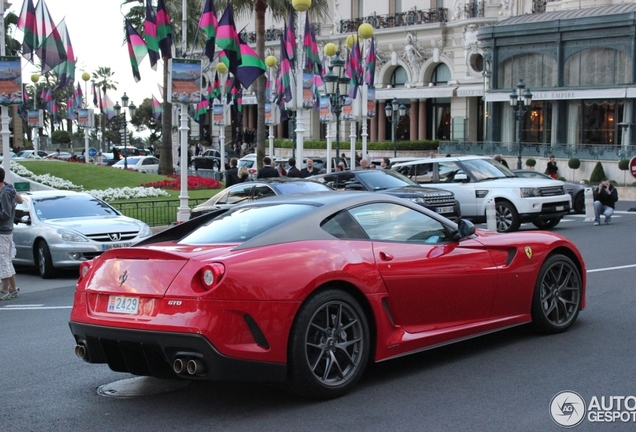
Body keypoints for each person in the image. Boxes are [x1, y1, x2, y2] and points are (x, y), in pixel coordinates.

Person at [0, 168, 22, 300]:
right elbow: (19, 201)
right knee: (7, 260)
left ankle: (4, 290)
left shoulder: (4, 193)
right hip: (7, 230)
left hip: (2, 231)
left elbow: (5, 214)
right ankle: (13, 288)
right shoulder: (8, 190)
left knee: (3, 260)